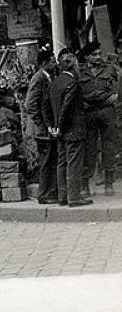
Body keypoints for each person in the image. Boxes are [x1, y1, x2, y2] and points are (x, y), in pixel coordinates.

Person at [45, 50, 92, 207]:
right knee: (74, 163)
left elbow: (45, 106)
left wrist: (52, 126)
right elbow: (67, 108)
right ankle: (74, 197)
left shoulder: (55, 82)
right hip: (73, 130)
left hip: (60, 132)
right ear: (73, 65)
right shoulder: (73, 84)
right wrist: (59, 126)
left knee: (62, 162)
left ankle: (63, 196)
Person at [78, 41, 118, 196]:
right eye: (94, 54)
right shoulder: (80, 72)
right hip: (89, 113)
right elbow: (74, 92)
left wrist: (117, 96)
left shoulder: (110, 68)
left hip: (106, 111)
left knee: (109, 146)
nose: (98, 57)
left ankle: (109, 183)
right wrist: (82, 103)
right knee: (89, 148)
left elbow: (119, 84)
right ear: (87, 57)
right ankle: (85, 185)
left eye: (99, 54)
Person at [25, 50, 58, 204]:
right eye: (52, 61)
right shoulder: (38, 78)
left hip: (45, 128)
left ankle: (49, 192)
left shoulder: (47, 77)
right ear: (44, 63)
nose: (55, 64)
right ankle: (43, 194)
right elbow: (30, 104)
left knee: (50, 159)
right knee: (45, 161)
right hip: (41, 130)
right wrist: (41, 123)